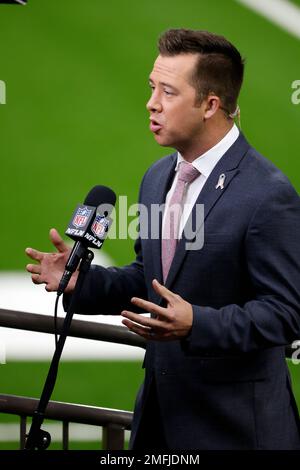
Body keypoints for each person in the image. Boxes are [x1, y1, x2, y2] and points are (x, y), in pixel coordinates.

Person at [26, 29, 300, 450]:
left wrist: (197, 324)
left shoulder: (268, 195)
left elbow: (285, 314)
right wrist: (84, 282)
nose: (151, 103)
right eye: (153, 88)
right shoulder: (158, 177)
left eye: (168, 92)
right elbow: (151, 278)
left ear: (210, 105)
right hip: (158, 424)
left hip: (235, 432)